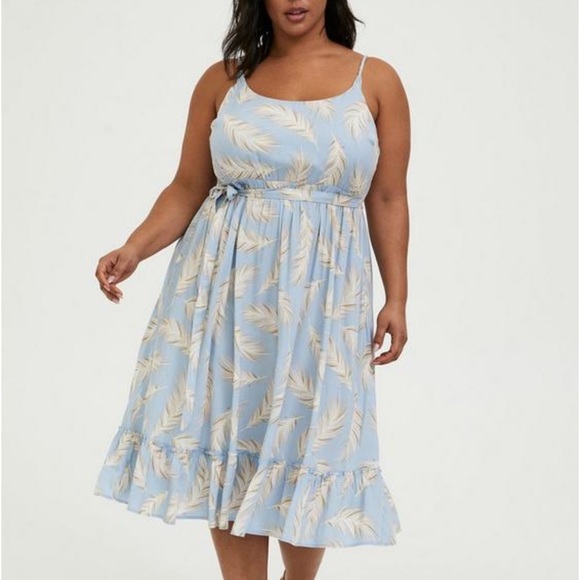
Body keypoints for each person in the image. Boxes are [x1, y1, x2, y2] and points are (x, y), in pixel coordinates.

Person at [93, 0, 410, 578]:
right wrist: (134, 248)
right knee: (232, 431)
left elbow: (387, 196)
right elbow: (188, 186)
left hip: (324, 297)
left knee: (311, 435)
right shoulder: (224, 81)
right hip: (226, 290)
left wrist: (397, 297)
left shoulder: (376, 81)